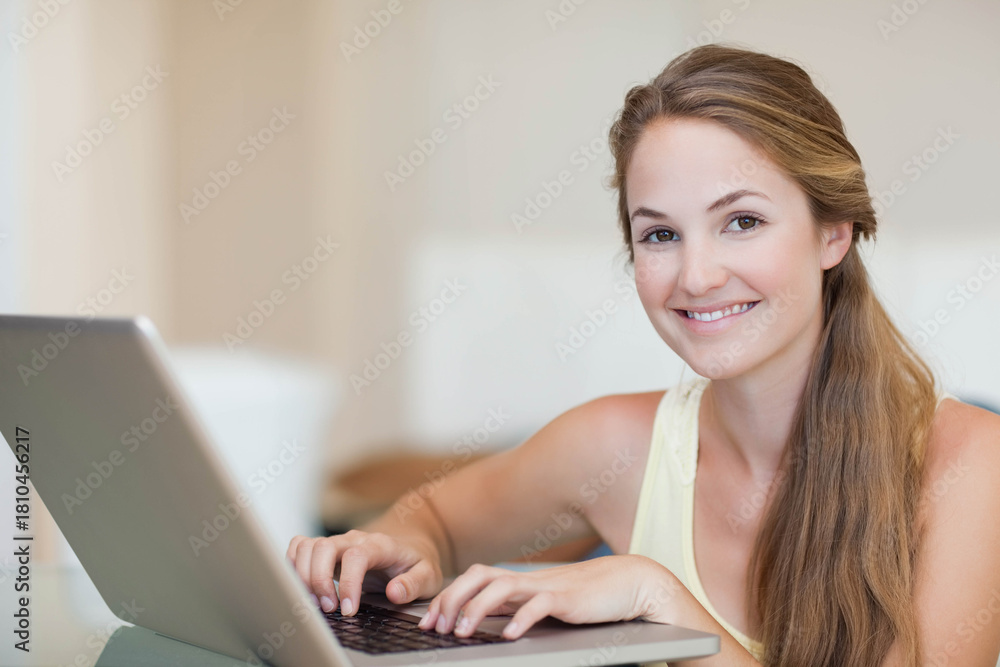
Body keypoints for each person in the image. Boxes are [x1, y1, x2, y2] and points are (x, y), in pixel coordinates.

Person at [287, 43, 1000, 666]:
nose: (697, 276)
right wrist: (393, 551)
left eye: (742, 221)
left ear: (832, 234)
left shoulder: (972, 466)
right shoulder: (611, 448)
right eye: (660, 235)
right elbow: (431, 520)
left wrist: (659, 598)